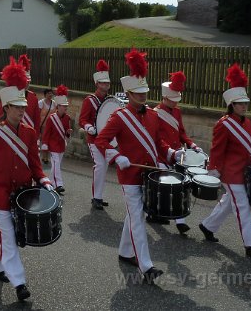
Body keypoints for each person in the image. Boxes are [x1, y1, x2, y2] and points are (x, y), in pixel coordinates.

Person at [0, 58, 53, 303]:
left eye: (23, 107)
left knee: (4, 233)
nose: (21, 111)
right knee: (10, 234)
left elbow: (35, 164)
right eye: (16, 107)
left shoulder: (29, 133)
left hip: (22, 193)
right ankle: (19, 281)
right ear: (6, 108)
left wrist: (44, 180)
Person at [94, 49, 181, 284]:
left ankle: (125, 251)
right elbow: (101, 140)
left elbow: (157, 141)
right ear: (128, 93)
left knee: (136, 215)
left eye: (145, 92)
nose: (143, 97)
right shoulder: (119, 117)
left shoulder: (153, 115)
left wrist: (171, 152)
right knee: (138, 219)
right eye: (138, 93)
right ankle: (147, 266)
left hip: (149, 174)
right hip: (130, 175)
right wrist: (115, 156)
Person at [199, 63, 251, 261]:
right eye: (240, 103)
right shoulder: (224, 124)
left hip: (245, 171)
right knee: (242, 206)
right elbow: (217, 149)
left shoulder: (247, 122)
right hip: (230, 174)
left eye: (245, 103)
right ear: (232, 104)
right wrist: (213, 170)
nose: (244, 106)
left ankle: (207, 226)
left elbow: (250, 147)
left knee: (228, 203)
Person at [153, 71, 205, 233]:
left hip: (177, 154)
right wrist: (169, 152)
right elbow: (157, 138)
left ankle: (180, 220)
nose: (175, 103)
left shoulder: (177, 112)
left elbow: (181, 133)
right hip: (161, 155)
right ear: (165, 98)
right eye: (173, 100)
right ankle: (155, 212)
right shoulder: (155, 113)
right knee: (164, 187)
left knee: (179, 186)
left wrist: (192, 145)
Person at [80, 59, 112, 210]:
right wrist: (88, 127)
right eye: (103, 83)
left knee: (104, 167)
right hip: (93, 138)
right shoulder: (89, 100)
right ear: (97, 84)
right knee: (99, 165)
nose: (105, 85)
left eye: (107, 83)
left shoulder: (110, 101)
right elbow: (82, 119)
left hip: (106, 140)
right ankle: (96, 198)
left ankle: (98, 196)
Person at [40, 85, 72, 194]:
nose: (65, 108)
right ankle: (59, 184)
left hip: (61, 145)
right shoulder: (51, 118)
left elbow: (66, 130)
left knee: (55, 166)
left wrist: (68, 133)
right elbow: (47, 133)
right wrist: (45, 144)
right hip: (53, 145)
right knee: (56, 164)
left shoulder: (67, 118)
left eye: (66, 106)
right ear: (58, 106)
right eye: (63, 106)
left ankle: (50, 183)